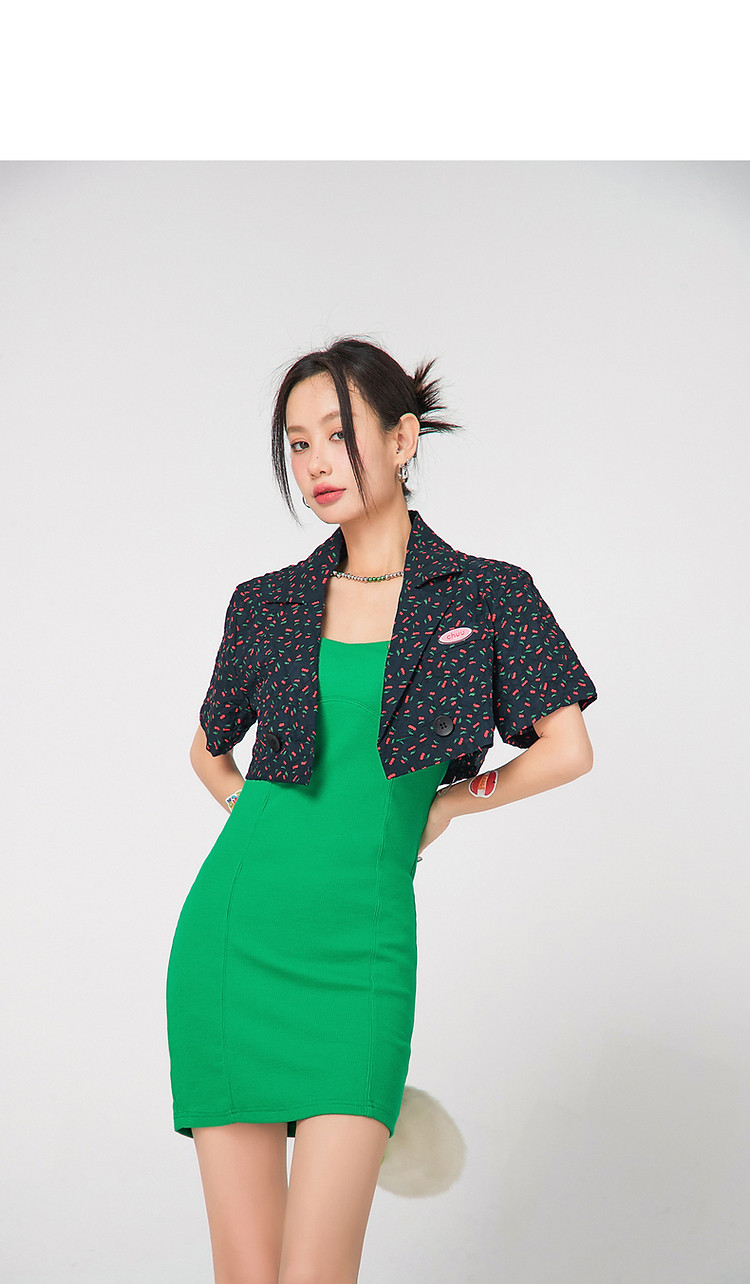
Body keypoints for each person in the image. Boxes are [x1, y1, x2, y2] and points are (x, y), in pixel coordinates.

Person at [165, 336, 597, 1283]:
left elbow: (567, 748)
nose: (316, 463)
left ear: (402, 440)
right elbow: (207, 747)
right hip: (233, 945)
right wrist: (257, 815)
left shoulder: (488, 594)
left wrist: (452, 803)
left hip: (360, 954)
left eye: (339, 435)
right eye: (298, 444)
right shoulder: (267, 603)